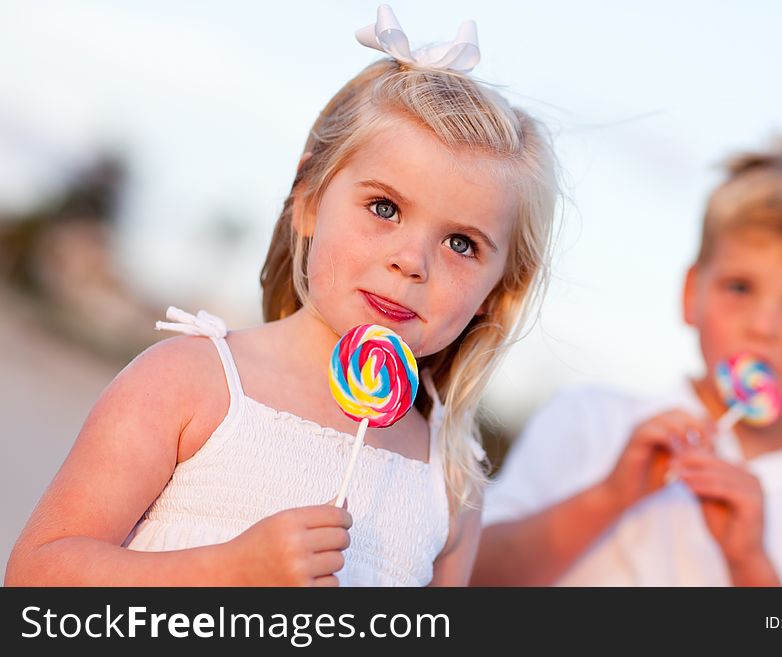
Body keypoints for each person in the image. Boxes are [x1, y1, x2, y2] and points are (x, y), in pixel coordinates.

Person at [5, 5, 558, 587]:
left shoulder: (448, 486)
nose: (411, 261)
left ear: (500, 289)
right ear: (310, 198)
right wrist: (228, 570)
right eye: (384, 208)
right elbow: (36, 576)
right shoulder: (190, 382)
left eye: (461, 243)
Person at [472, 139, 782, 586]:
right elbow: (474, 578)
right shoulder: (590, 419)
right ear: (691, 295)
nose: (764, 326)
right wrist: (609, 497)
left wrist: (748, 562)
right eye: (740, 288)